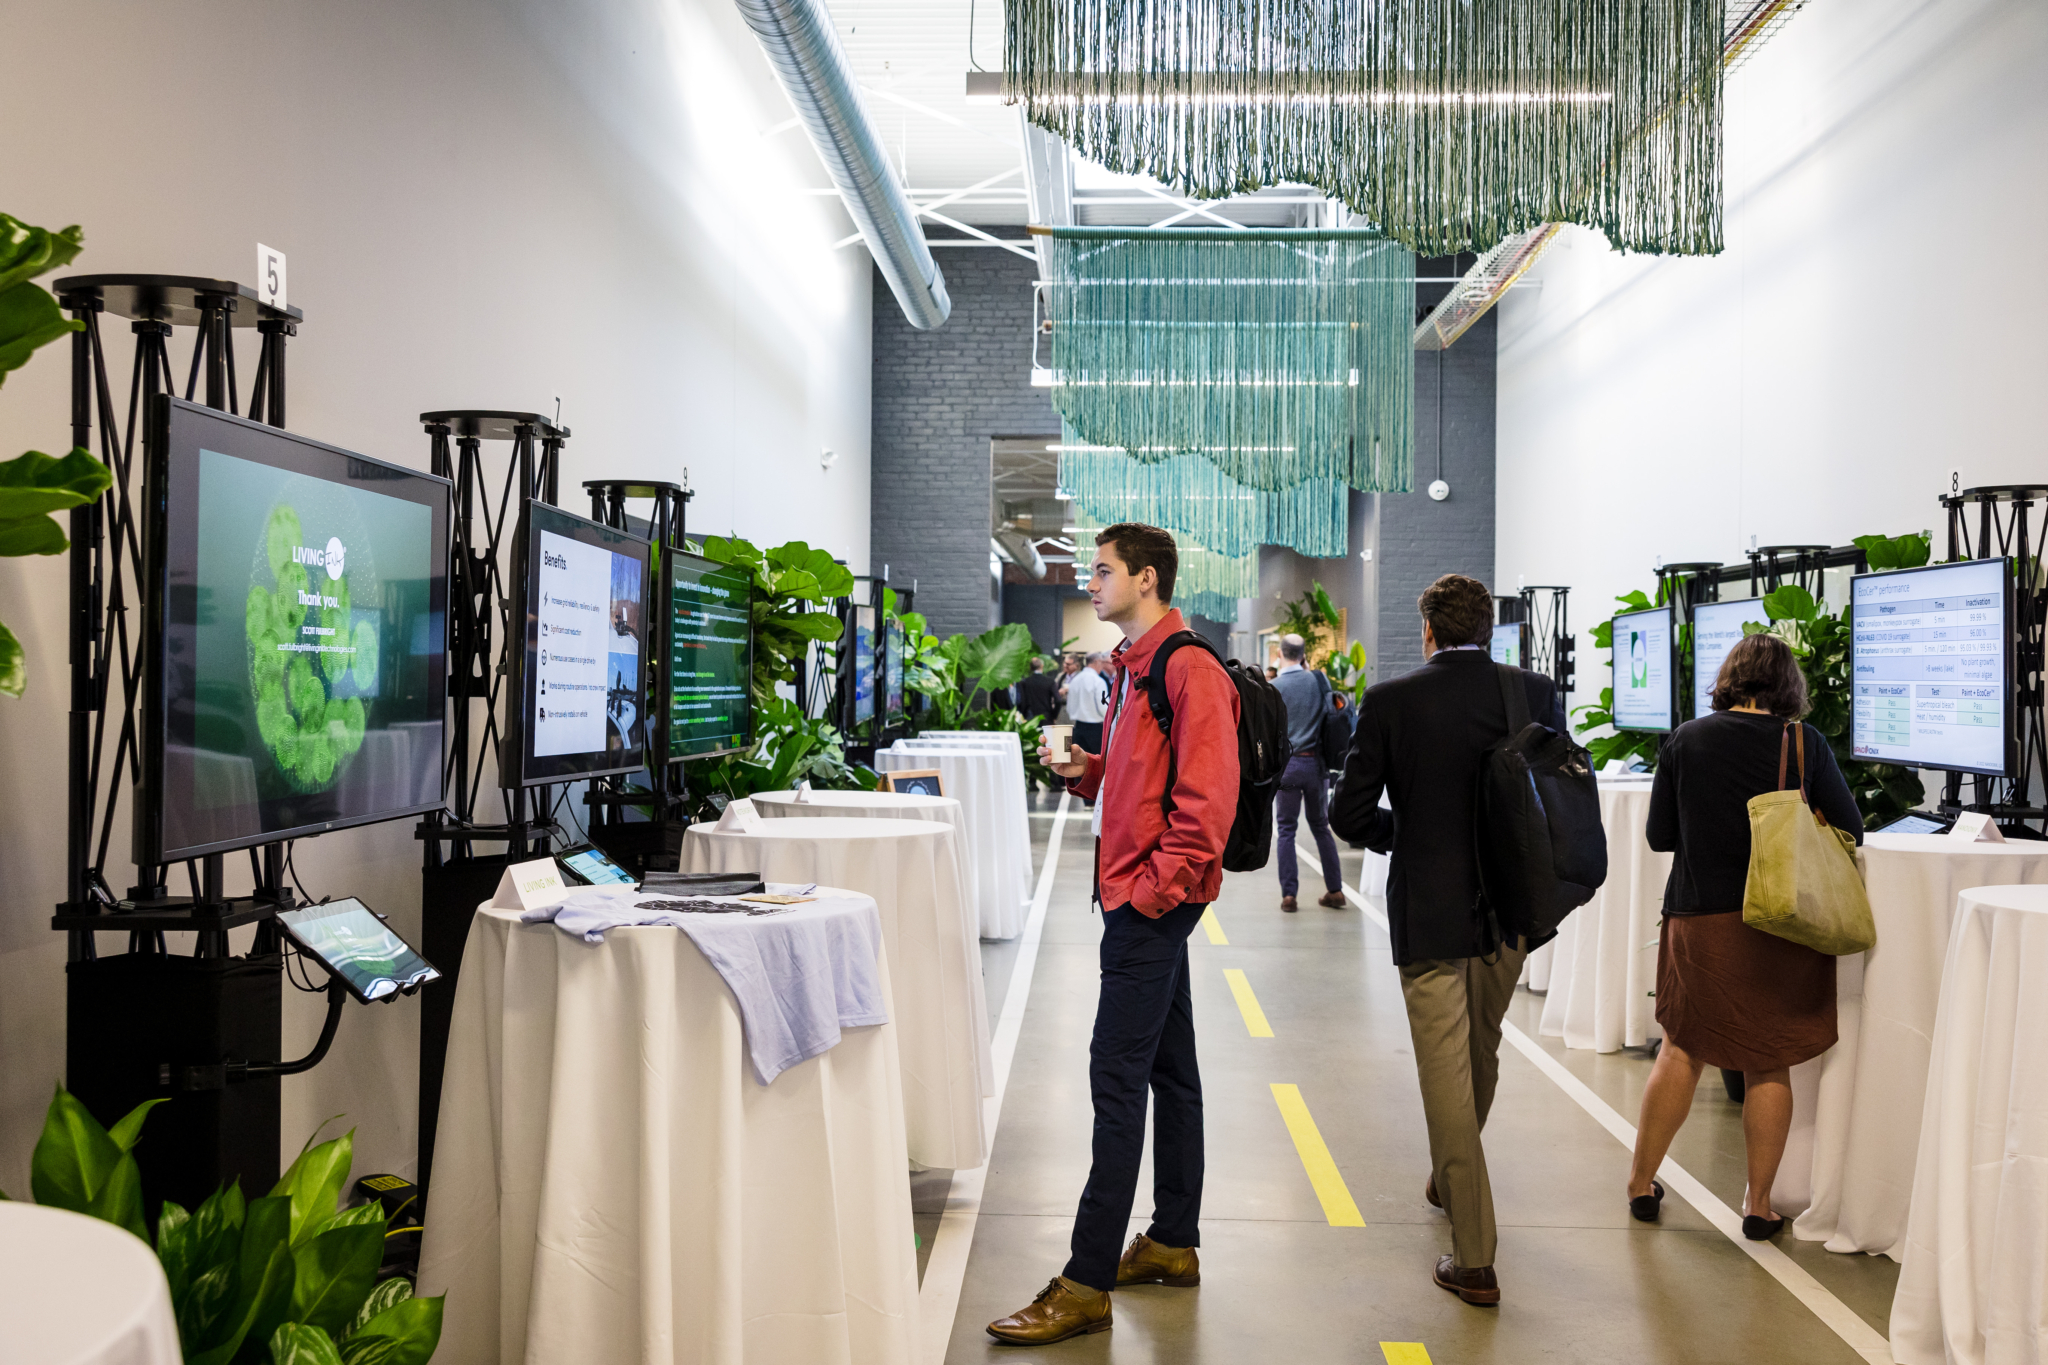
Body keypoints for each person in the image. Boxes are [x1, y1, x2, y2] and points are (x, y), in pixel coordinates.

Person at [987, 522, 1240, 1346]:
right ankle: (1171, 1240)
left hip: (1148, 905)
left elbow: (1205, 809)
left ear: (1147, 578)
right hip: (1138, 896)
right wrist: (1086, 773)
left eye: (1102, 571)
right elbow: (1142, 781)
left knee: (1116, 1081)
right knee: (1171, 1068)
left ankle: (1086, 1278)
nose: (1090, 583)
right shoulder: (1135, 668)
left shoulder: (1187, 667)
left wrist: (1150, 894)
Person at [1330, 573, 1567, 1309]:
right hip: (1511, 909)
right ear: (1489, 629)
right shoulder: (1533, 693)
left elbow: (1349, 812)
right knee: (1482, 1049)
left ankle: (1474, 1258)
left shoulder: (1393, 701)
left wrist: (1404, 834)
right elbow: (1557, 795)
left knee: (1445, 1072)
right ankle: (1451, 1172)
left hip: (1430, 910)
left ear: (1426, 628)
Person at [1625, 632, 1860, 1239]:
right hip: (1777, 923)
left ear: (1729, 678)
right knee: (1769, 1064)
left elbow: (1660, 836)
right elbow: (1851, 826)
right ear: (1786, 685)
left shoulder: (1686, 738)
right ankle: (1758, 1205)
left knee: (1681, 1050)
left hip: (1699, 918)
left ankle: (1640, 1183)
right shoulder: (1802, 743)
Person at [1269, 633, 1347, 913]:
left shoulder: (1274, 686)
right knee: (1320, 826)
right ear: (1303, 655)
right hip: (1316, 766)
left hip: (1287, 768)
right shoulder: (1317, 681)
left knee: (1286, 830)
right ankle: (1335, 890)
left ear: (1280, 653)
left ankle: (1289, 896)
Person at [1065, 651, 1111, 758]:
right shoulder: (1098, 681)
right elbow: (1103, 707)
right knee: (1096, 763)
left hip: (1078, 727)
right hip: (1095, 729)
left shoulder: (1075, 679)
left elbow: (1069, 706)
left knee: (1079, 762)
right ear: (1097, 662)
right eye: (1102, 662)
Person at [1016, 655, 1060, 723]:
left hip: (1030, 717)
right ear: (1042, 666)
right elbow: (1058, 700)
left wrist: (1023, 714)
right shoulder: (1050, 682)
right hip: (1046, 717)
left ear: (1030, 667)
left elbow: (1022, 701)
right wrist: (1054, 715)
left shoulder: (1025, 682)